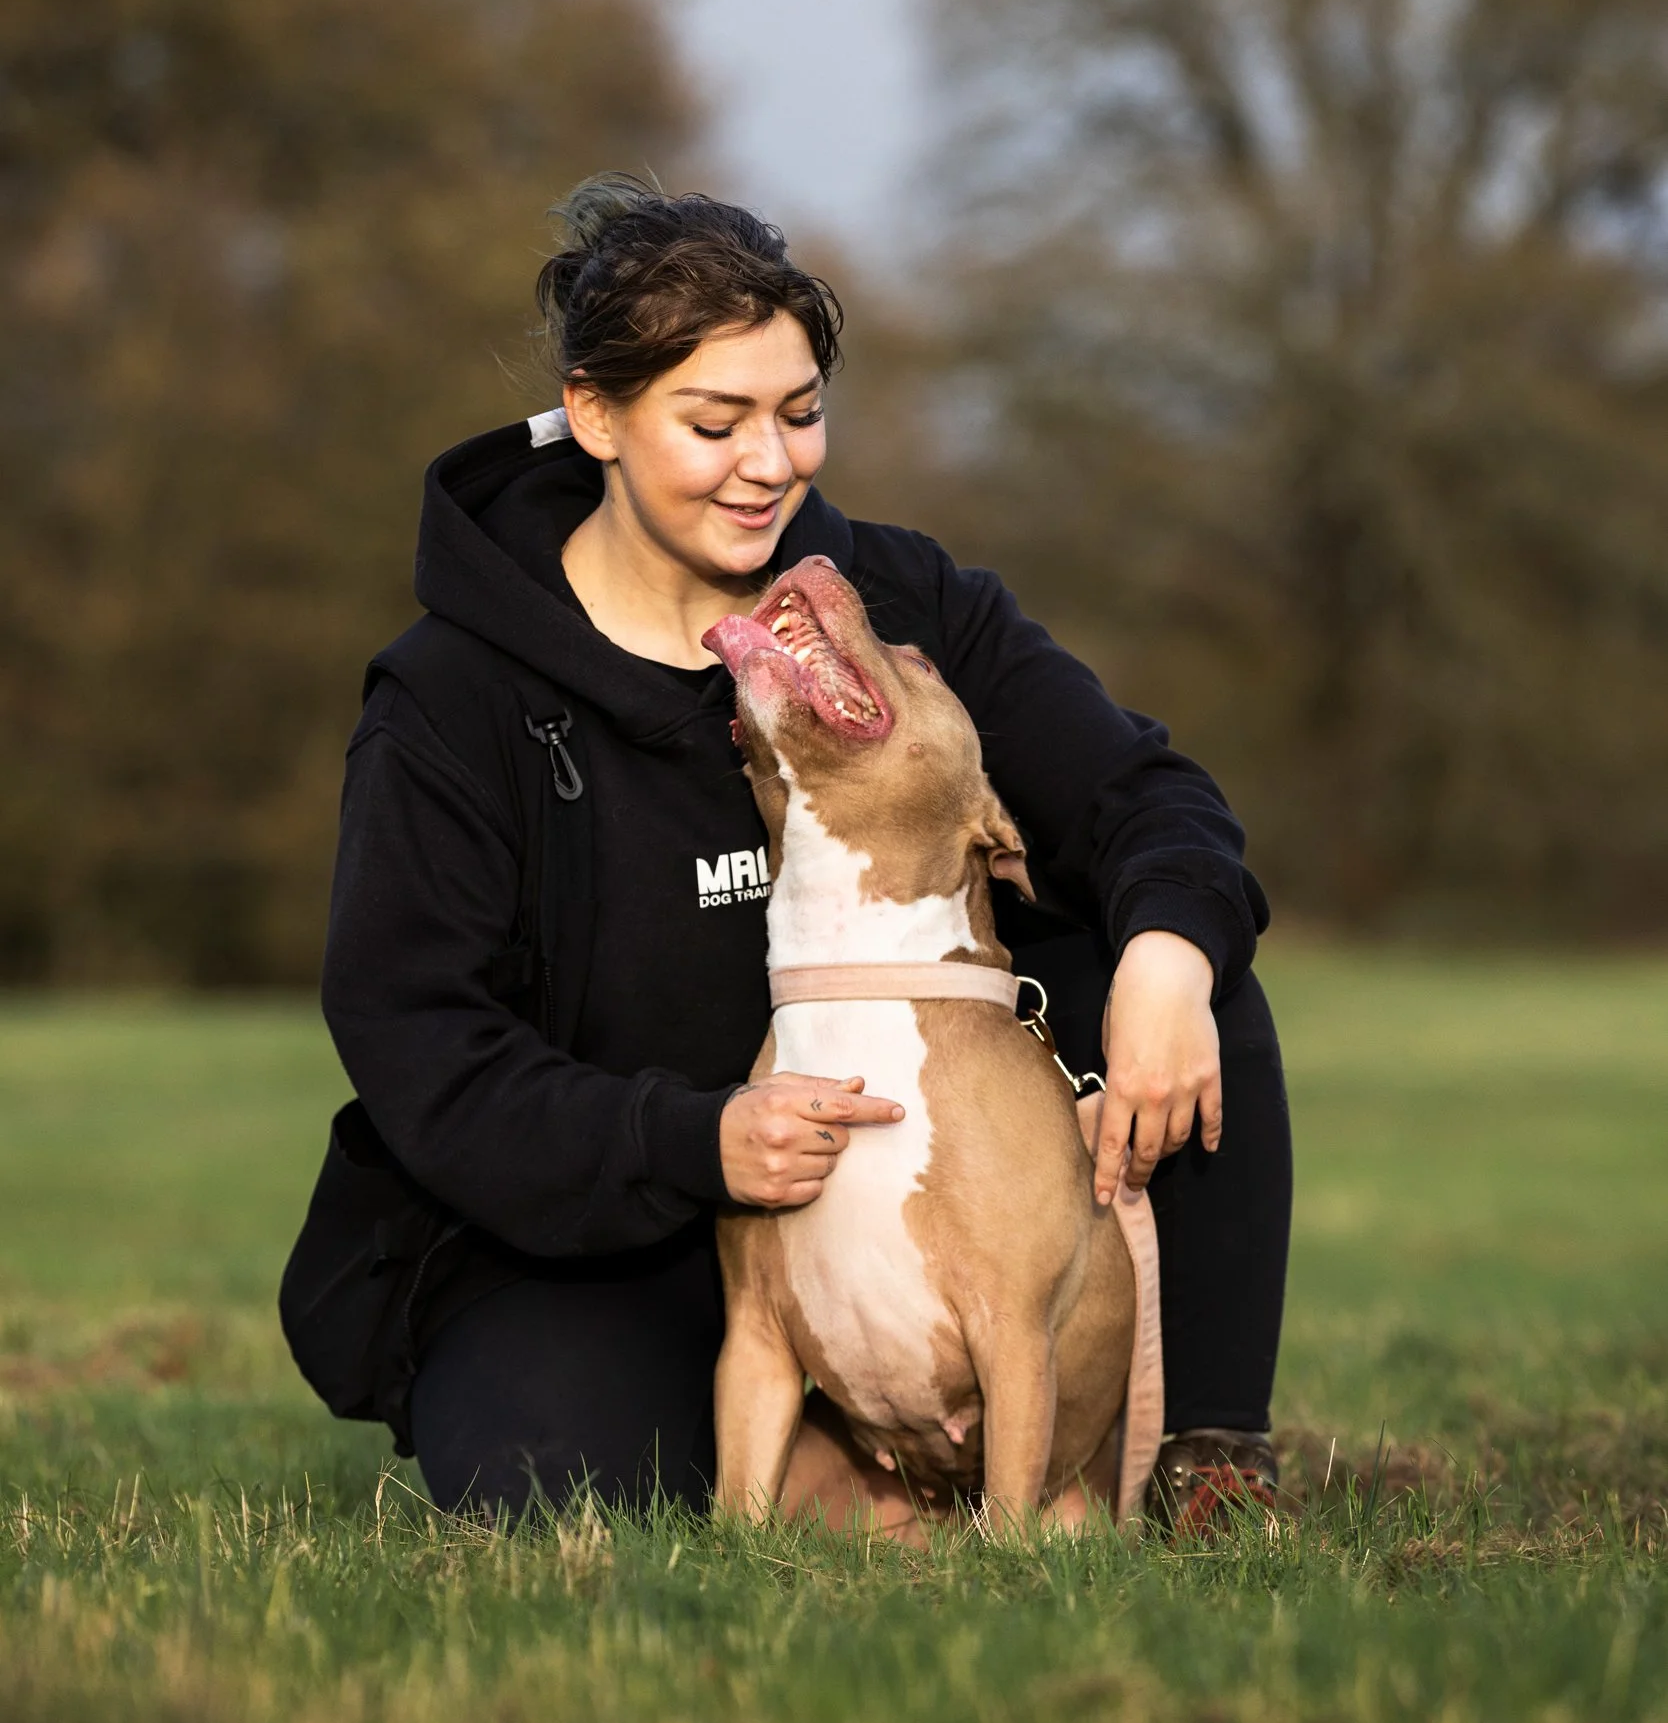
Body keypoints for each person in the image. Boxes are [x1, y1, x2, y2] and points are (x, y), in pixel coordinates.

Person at [314, 177, 1291, 1533]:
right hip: (620, 1222)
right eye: (713, 423)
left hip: (932, 1169)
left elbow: (1146, 796)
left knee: (1193, 972)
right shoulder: (452, 700)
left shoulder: (897, 605)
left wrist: (1169, 968)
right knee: (558, 1482)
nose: (768, 463)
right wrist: (696, 1137)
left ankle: (1207, 1460)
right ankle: (860, 1471)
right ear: (594, 412)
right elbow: (421, 1040)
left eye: (800, 413)